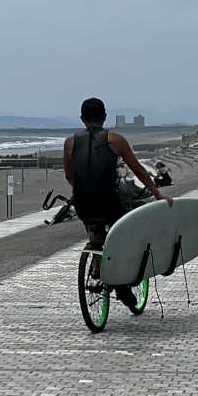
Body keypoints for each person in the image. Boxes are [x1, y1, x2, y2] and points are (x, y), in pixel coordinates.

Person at [63, 97, 173, 308]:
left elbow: (70, 176)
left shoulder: (69, 142)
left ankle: (97, 266)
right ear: (104, 117)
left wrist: (85, 190)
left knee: (95, 230)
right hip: (109, 201)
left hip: (83, 203)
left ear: (82, 118)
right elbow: (139, 171)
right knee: (125, 231)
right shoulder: (116, 139)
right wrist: (158, 194)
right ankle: (122, 285)